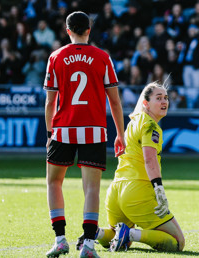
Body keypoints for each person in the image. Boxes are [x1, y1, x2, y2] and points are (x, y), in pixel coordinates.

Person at [44, 11, 125, 258]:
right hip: (94, 129)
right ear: (89, 30)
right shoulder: (102, 57)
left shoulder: (56, 57)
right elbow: (114, 101)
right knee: (91, 188)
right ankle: (88, 245)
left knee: (54, 181)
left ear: (67, 30)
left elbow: (50, 102)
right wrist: (120, 134)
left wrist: (49, 132)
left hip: (63, 129)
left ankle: (60, 239)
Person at [76, 82, 185, 253]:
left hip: (115, 192)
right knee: (178, 242)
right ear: (146, 103)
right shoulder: (150, 125)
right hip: (136, 192)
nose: (164, 101)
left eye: (166, 98)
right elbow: (149, 160)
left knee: (117, 237)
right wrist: (159, 190)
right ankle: (131, 234)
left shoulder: (132, 123)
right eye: (158, 98)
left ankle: (95, 233)